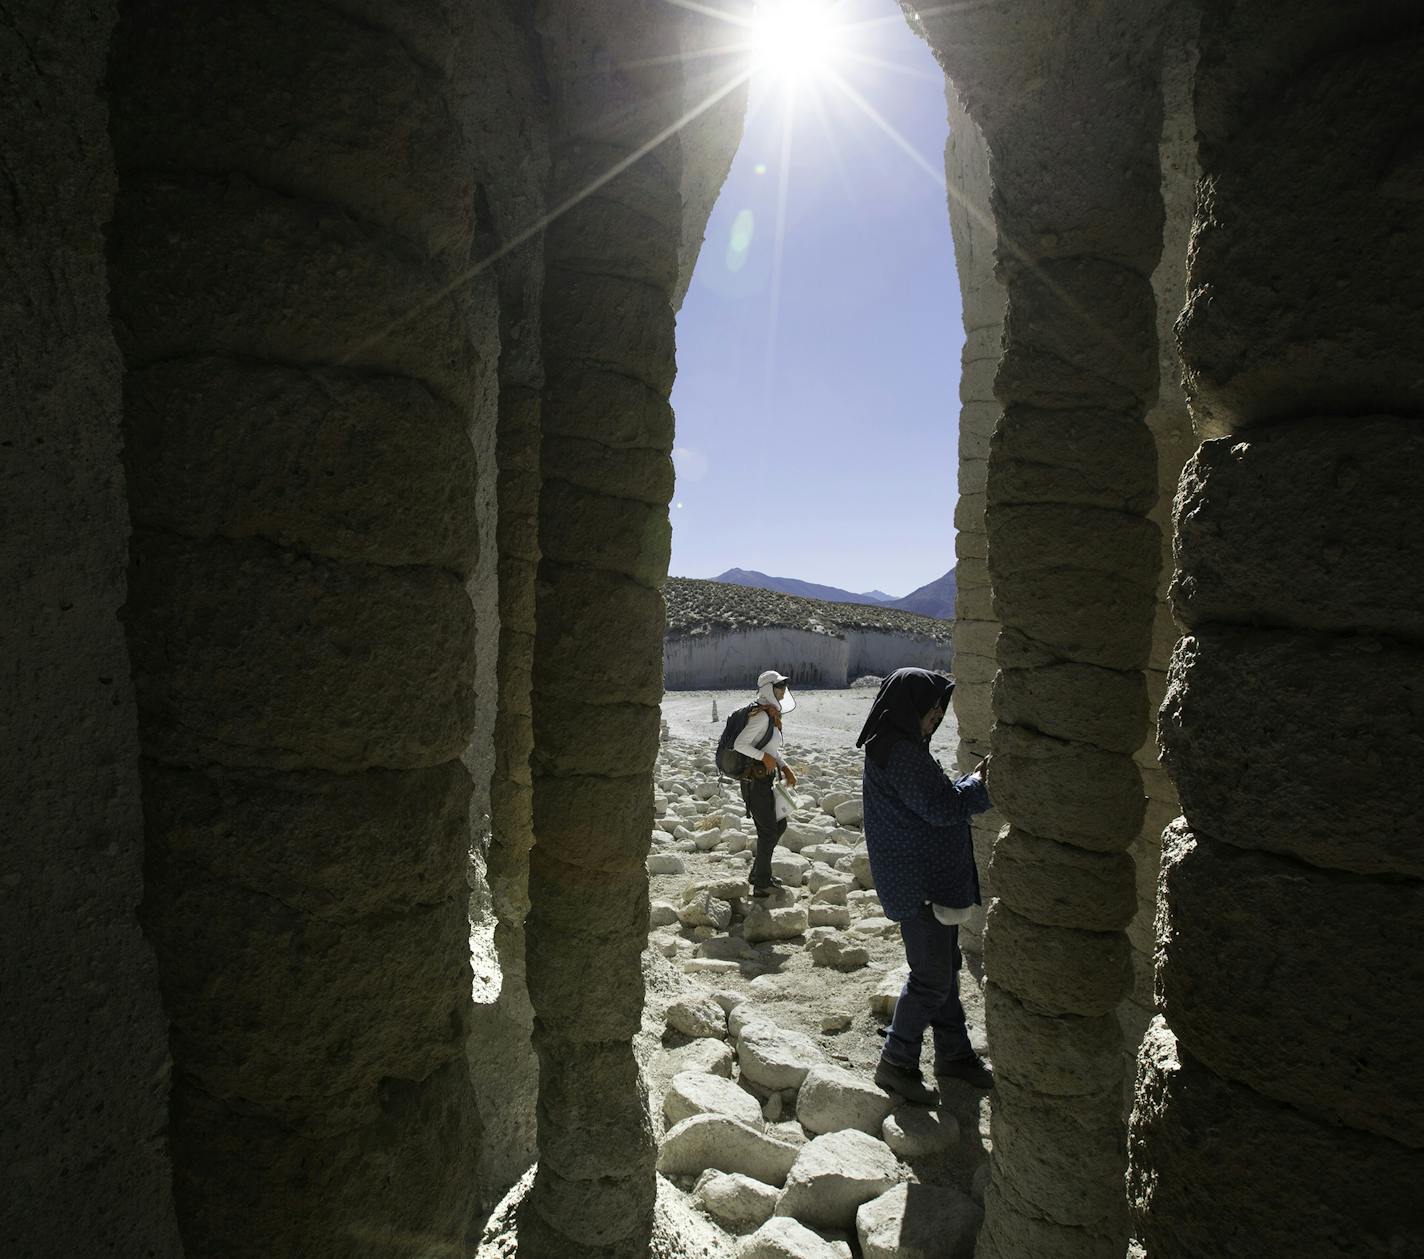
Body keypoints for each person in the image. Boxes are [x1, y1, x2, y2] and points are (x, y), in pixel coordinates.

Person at [856, 667, 994, 1105]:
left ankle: (954, 1053)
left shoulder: (896, 746)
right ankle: (896, 1061)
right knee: (931, 979)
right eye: (931, 714)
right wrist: (982, 783)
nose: (935, 721)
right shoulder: (901, 753)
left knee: (943, 971)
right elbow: (940, 808)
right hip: (922, 884)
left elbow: (930, 800)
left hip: (918, 878)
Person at [733, 669, 799, 895]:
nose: (783, 690)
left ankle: (758, 873)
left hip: (765, 779)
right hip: (754, 782)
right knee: (770, 830)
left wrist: (783, 765)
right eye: (779, 686)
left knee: (778, 825)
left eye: (784, 685)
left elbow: (768, 748)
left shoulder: (769, 714)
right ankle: (761, 882)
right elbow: (740, 744)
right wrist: (767, 759)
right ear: (768, 689)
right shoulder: (761, 715)